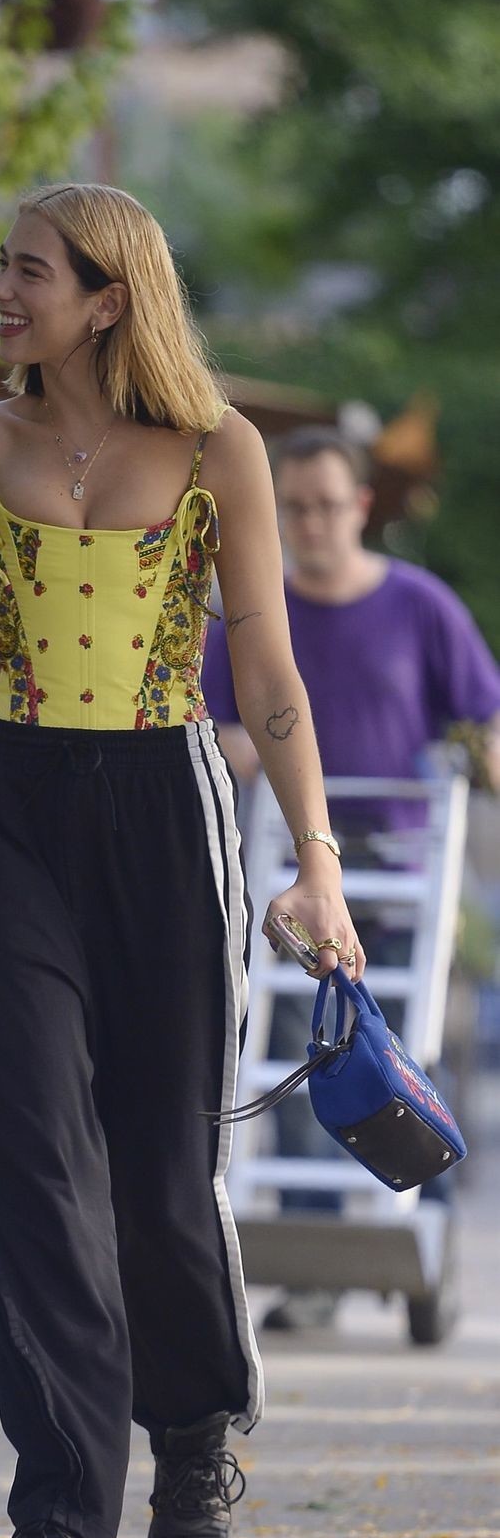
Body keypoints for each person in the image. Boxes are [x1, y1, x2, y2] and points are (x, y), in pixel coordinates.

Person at [0, 182, 363, 1538]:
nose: (0, 291)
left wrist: (315, 860)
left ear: (106, 298)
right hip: (7, 803)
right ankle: (60, 1508)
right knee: (26, 1159)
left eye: (27, 271)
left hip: (165, 805)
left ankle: (194, 1432)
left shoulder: (219, 449)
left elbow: (265, 672)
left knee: (158, 1171)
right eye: (2, 266)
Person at [202, 426, 500, 1331]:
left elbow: (483, 716)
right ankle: (319, 1268)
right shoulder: (253, 614)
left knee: (410, 1061)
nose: (311, 523)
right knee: (307, 1059)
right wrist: (234, 746)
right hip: (291, 875)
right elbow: (207, 720)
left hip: (399, 873)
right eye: (293, 507)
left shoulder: (419, 606)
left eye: (327, 505)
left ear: (361, 506)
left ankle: (427, 1260)